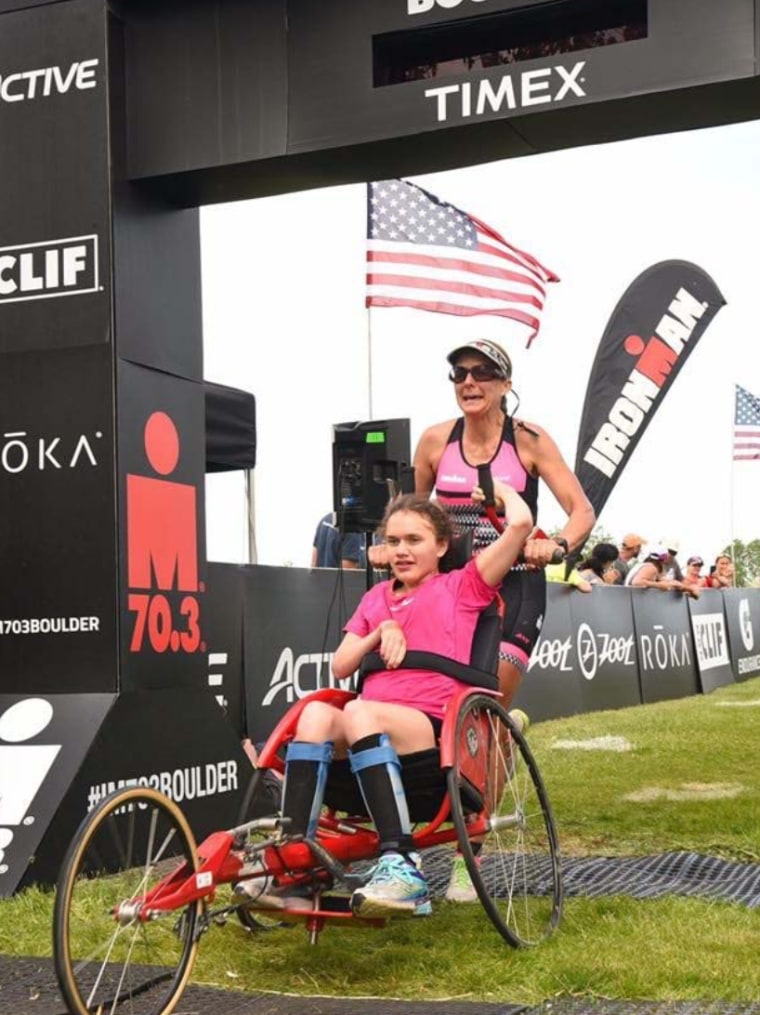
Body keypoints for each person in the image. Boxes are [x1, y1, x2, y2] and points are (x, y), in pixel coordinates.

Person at [236, 480, 533, 918]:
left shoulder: (463, 586)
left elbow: (521, 524)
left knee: (357, 711)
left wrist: (497, 490)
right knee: (317, 712)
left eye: (414, 540)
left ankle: (403, 866)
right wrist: (381, 631)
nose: (402, 550)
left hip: (433, 726)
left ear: (441, 545)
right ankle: (298, 861)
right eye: (392, 541)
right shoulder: (377, 597)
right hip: (369, 725)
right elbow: (341, 666)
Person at [410, 339, 595, 711]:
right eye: (460, 373)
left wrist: (556, 545)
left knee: (488, 702)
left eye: (482, 373)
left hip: (516, 582)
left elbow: (582, 512)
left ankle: (503, 731)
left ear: (505, 384)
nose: (469, 382)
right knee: (441, 704)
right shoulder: (434, 440)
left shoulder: (529, 439)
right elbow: (408, 514)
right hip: (456, 584)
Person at [625, 547, 699, 599]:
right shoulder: (650, 567)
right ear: (662, 559)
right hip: (630, 600)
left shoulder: (646, 566)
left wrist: (690, 589)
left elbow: (671, 582)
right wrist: (659, 585)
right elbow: (637, 582)